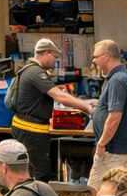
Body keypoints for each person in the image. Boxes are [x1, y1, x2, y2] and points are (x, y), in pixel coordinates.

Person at [8, 37, 95, 182]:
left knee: (28, 167)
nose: (55, 62)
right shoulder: (36, 73)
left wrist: (85, 101)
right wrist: (86, 107)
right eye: (54, 57)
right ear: (46, 53)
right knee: (41, 171)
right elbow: (61, 97)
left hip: (25, 126)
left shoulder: (29, 70)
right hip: (32, 129)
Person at [88, 39, 127, 195]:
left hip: (115, 147)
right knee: (109, 188)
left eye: (95, 57)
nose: (94, 61)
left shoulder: (117, 80)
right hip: (119, 145)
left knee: (106, 189)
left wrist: (102, 143)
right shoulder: (121, 76)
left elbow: (115, 117)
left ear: (105, 56)